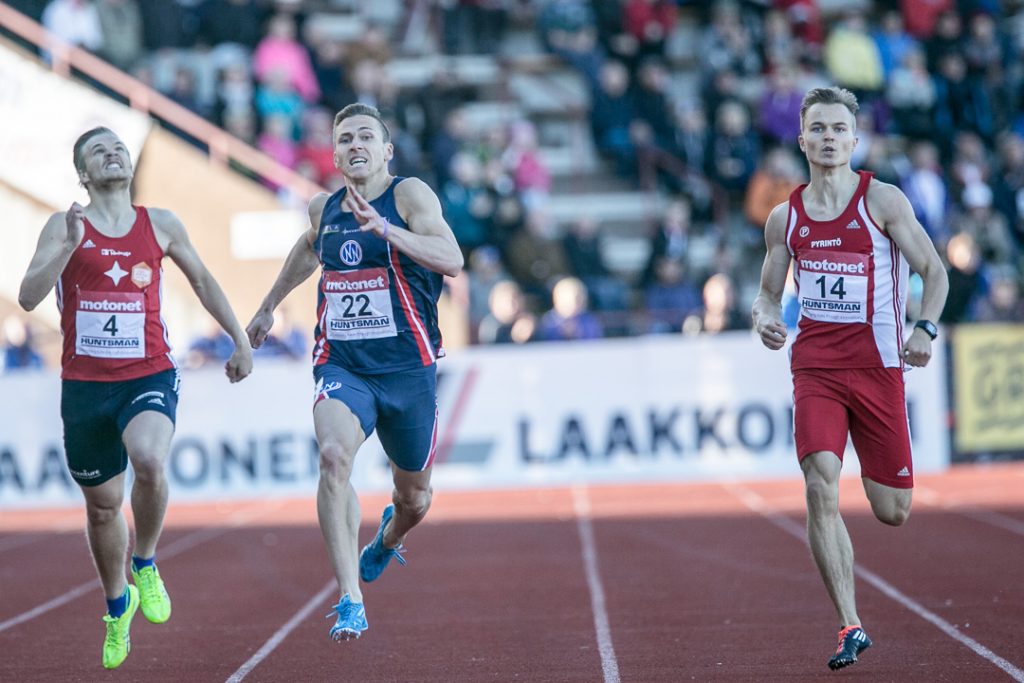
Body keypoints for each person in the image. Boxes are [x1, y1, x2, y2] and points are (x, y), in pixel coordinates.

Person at [17, 127, 253, 669]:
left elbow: (204, 281)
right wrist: (68, 247)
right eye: (99, 151)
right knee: (102, 509)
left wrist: (239, 340)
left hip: (148, 372)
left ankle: (144, 562)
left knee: (149, 457)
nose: (113, 154)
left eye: (119, 147)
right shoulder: (64, 224)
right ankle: (117, 604)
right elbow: (29, 296)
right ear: (83, 173)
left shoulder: (161, 223)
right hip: (84, 386)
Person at [245, 103, 463, 642]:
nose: (354, 145)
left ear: (386, 150)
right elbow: (306, 249)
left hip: (408, 370)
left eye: (366, 136)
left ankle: (388, 540)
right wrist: (269, 305)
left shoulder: (408, 196)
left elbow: (451, 257)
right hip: (343, 365)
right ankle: (350, 598)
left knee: (415, 498)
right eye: (344, 139)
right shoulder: (325, 208)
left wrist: (386, 229)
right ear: (335, 153)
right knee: (333, 456)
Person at [751, 87, 948, 671]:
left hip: (879, 368)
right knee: (819, 484)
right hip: (815, 367)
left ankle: (872, 468)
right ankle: (850, 625)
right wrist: (764, 320)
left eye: (839, 129)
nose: (829, 138)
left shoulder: (881, 201)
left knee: (893, 509)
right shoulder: (785, 217)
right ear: (802, 138)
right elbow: (765, 295)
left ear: (854, 140)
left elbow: (934, 272)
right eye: (819, 129)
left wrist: (925, 329)